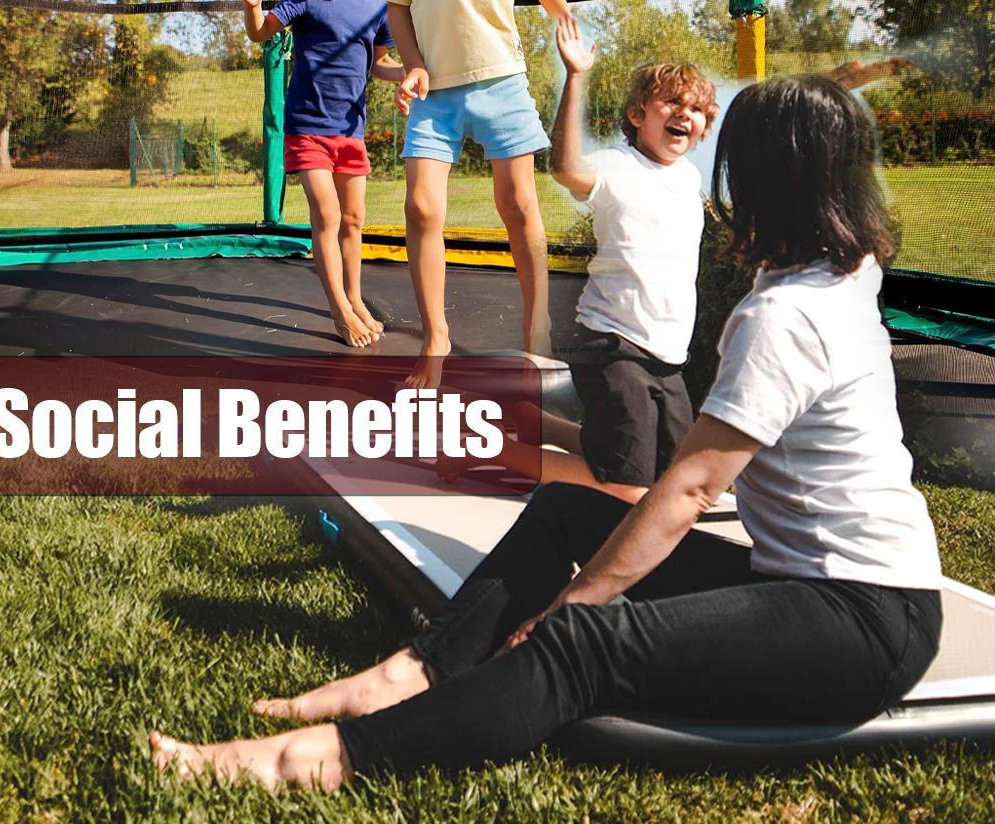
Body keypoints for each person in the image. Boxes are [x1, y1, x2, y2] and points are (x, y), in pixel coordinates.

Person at [150, 75, 944, 789]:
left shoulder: (786, 315)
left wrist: (573, 602)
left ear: (762, 180)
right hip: (811, 581)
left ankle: (319, 760)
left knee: (582, 639)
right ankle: (413, 671)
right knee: (568, 511)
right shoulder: (842, 268)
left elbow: (696, 486)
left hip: (864, 620)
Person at [437, 20, 718, 498]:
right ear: (636, 114)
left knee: (670, 476)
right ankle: (482, 449)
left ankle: (530, 421)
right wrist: (576, 77)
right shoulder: (618, 167)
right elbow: (565, 169)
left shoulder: (689, 177)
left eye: (695, 109)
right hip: (615, 345)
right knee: (629, 489)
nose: (683, 114)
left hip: (668, 355)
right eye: (671, 102)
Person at [364, 0, 577, 386]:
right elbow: (396, 6)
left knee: (518, 206)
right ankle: (436, 341)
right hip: (437, 91)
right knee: (422, 207)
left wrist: (565, 23)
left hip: (502, 80)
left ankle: (537, 334)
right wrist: (413, 65)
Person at [238, 0, 404, 348]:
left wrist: (409, 75)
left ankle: (354, 296)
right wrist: (254, 4)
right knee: (327, 214)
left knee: (354, 218)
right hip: (308, 128)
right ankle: (338, 311)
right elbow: (260, 33)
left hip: (352, 131)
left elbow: (380, 64)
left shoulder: (378, 7)